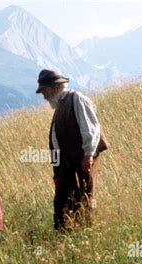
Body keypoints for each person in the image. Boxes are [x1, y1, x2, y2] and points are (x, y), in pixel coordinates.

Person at [36, 69, 108, 230]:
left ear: (54, 88)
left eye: (44, 91)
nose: (44, 96)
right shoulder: (61, 105)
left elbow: (90, 129)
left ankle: (84, 233)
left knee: (83, 198)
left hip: (81, 162)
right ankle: (67, 236)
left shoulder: (77, 99)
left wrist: (88, 156)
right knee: (63, 201)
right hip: (67, 165)